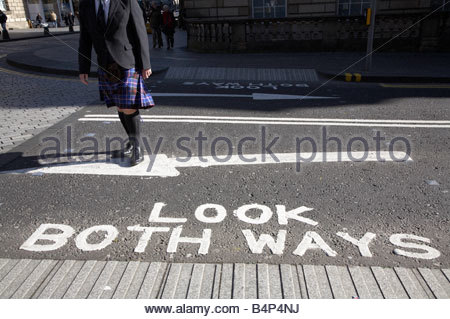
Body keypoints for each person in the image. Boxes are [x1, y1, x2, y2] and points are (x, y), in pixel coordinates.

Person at [78, 0, 154, 167]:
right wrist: (83, 67)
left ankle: (137, 147)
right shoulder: (86, 4)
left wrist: (145, 63)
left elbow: (139, 30)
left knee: (128, 106)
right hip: (105, 63)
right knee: (120, 106)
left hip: (126, 61)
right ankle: (131, 141)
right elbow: (85, 37)